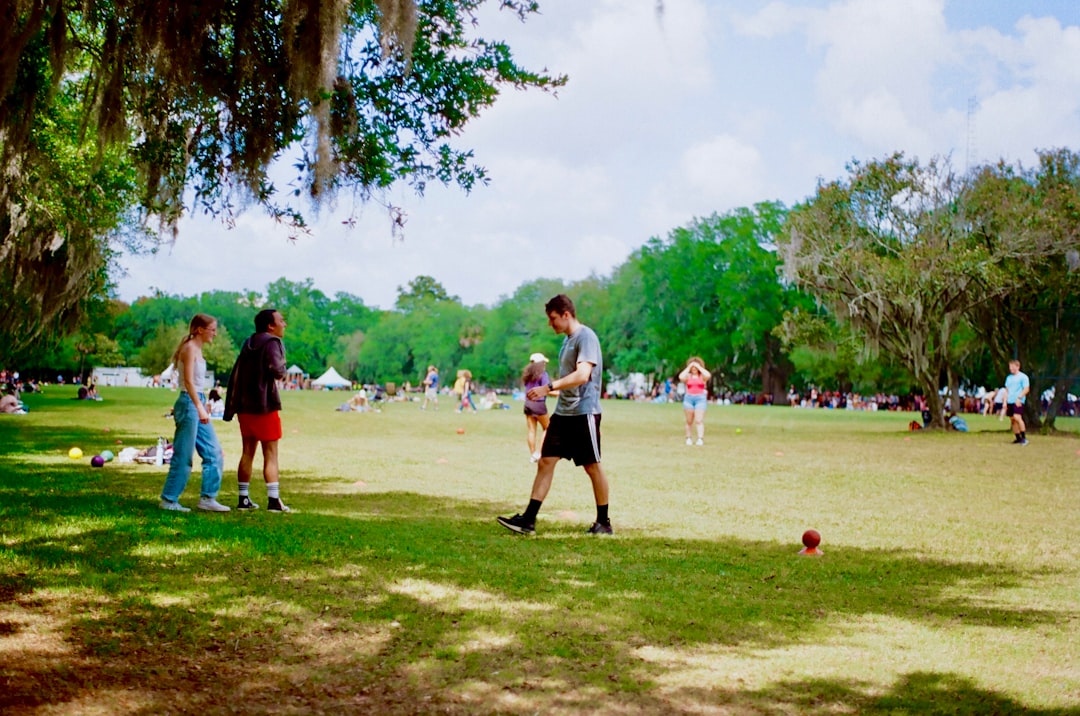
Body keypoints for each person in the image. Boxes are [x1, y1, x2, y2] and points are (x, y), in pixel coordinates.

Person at [498, 294, 612, 536]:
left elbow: (582, 375)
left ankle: (603, 522)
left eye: (553, 319)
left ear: (566, 314)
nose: (551, 324)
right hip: (564, 412)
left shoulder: (586, 337)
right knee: (546, 461)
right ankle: (528, 520)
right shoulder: (568, 340)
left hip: (584, 412)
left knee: (592, 466)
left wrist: (548, 387)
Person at [159, 314, 229, 512]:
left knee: (214, 451)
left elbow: (196, 384)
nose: (215, 334)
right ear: (200, 329)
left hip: (197, 400)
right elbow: (188, 381)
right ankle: (169, 499)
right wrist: (198, 405)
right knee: (183, 454)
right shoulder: (189, 348)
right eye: (212, 329)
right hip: (189, 403)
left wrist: (203, 402)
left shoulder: (197, 349)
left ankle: (208, 498)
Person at [224, 309, 291, 512]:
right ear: (270, 326)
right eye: (281, 321)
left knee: (247, 452)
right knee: (270, 454)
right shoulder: (272, 342)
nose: (284, 324)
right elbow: (278, 371)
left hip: (245, 407)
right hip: (264, 406)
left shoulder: (248, 342)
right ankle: (273, 500)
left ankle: (243, 498)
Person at [522, 352, 554, 462]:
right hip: (539, 404)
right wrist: (562, 393)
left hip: (527, 403)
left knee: (531, 430)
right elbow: (547, 390)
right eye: (544, 362)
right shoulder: (543, 374)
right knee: (548, 428)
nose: (545, 364)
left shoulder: (527, 375)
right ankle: (540, 452)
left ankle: (533, 454)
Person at [679, 357, 712, 446]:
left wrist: (699, 366)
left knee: (699, 420)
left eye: (695, 368)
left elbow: (708, 375)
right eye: (693, 368)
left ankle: (700, 438)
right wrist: (688, 367)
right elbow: (681, 377)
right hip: (689, 398)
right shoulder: (688, 376)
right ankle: (688, 438)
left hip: (700, 399)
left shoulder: (702, 377)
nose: (694, 369)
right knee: (689, 421)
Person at [1004, 358, 1030, 445]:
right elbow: (1006, 390)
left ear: (1018, 367)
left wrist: (1019, 398)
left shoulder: (1023, 377)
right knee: (1012, 419)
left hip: (1018, 401)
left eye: (1012, 367)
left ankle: (1024, 438)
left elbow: (1026, 389)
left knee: (1017, 417)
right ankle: (1018, 438)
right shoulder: (1009, 378)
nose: (1011, 369)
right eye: (1010, 367)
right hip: (1010, 401)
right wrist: (1005, 401)